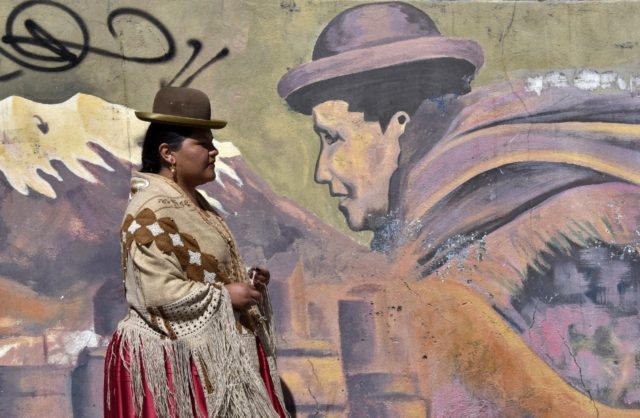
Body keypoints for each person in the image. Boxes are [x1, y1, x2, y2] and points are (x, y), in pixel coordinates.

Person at [279, 2, 640, 415]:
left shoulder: (546, 243)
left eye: (333, 138)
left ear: (398, 125)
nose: (321, 172)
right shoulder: (446, 226)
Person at [104, 87, 288, 418]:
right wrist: (225, 295)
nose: (214, 151)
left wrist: (245, 284)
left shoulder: (195, 205)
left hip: (206, 354)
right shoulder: (149, 211)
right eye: (202, 144)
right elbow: (155, 292)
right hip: (177, 361)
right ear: (168, 153)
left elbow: (198, 271)